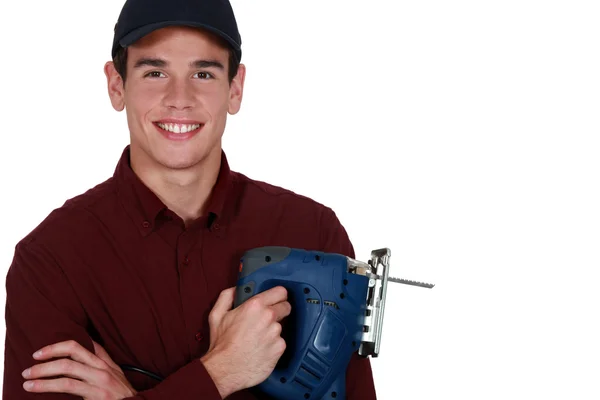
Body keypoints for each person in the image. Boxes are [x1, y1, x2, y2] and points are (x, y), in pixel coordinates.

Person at [2, 0, 378, 398]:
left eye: (202, 73)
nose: (178, 98)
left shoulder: (313, 233)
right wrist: (222, 372)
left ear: (235, 89)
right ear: (117, 85)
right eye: (154, 72)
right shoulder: (51, 261)